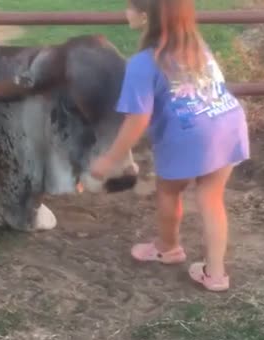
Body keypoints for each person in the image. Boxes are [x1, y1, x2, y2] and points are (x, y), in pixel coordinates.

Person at [90, 0, 250, 292]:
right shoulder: (197, 45)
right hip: (227, 123)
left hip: (189, 134)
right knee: (211, 199)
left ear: (144, 15)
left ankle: (168, 247)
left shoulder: (143, 63)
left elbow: (137, 120)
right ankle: (215, 274)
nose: (126, 11)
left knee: (168, 190)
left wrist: (110, 159)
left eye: (130, 6)